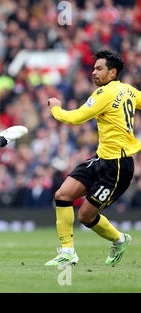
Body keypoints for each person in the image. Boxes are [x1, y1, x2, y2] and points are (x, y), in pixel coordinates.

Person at [45, 50, 141, 267]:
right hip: (101, 159)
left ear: (112, 72)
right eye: (94, 68)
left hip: (118, 166)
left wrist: (56, 109)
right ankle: (68, 252)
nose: (94, 73)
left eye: (99, 69)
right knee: (63, 194)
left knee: (86, 217)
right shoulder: (130, 91)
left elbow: (76, 117)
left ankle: (120, 239)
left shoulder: (104, 94)